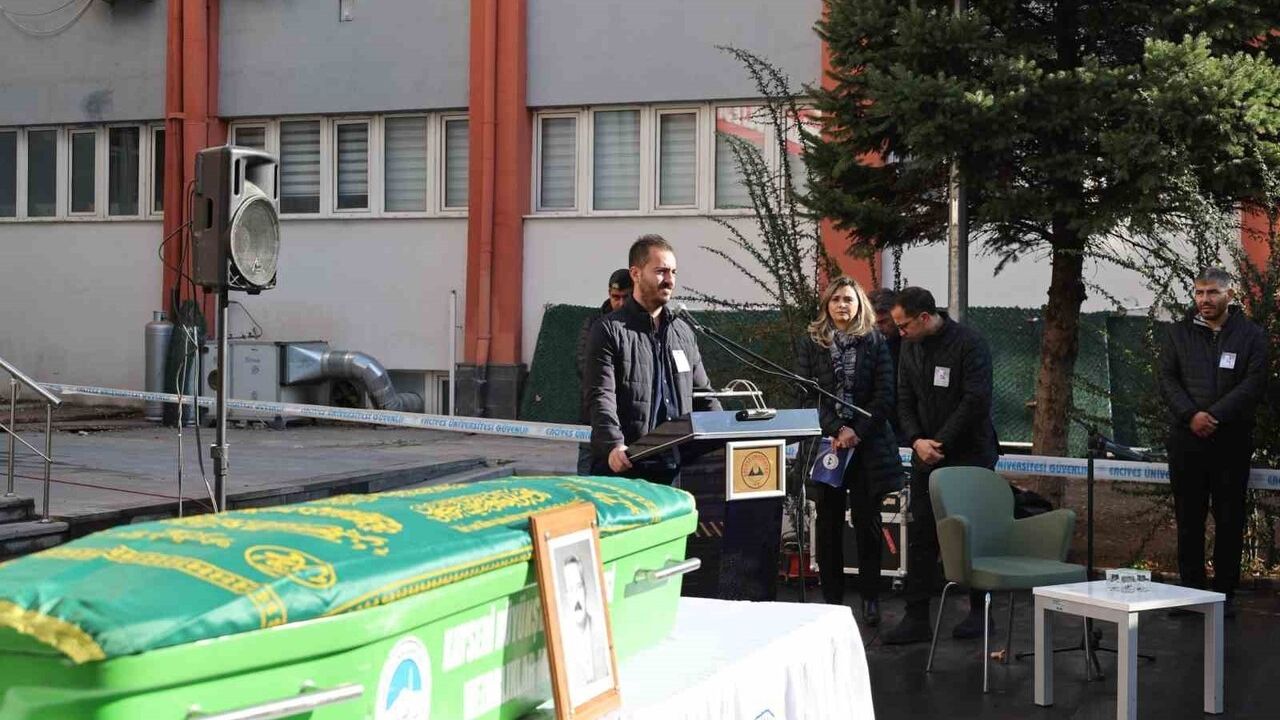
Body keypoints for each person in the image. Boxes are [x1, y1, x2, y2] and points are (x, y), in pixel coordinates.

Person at [883, 286, 999, 645]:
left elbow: (975, 400)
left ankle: (981, 613)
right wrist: (917, 440)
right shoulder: (909, 347)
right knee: (921, 535)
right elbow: (903, 398)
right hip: (924, 455)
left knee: (973, 533)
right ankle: (916, 617)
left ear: (924, 317)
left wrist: (940, 443)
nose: (899, 333)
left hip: (969, 454)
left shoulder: (969, 343)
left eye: (904, 326)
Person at [1158, 267, 1267, 618]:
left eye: (1212, 293)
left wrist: (1214, 416)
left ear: (1229, 296)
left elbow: (1253, 384)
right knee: (1188, 520)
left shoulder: (1251, 335)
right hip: (1186, 440)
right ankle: (1190, 594)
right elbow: (1167, 379)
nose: (1204, 300)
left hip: (1230, 442)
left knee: (1229, 519)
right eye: (1199, 293)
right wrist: (1191, 415)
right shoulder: (1178, 334)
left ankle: (1223, 597)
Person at [796, 277, 903, 626]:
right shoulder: (811, 343)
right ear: (827, 305)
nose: (842, 305)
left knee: (867, 522)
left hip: (867, 447)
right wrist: (836, 430)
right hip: (827, 445)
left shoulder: (875, 342)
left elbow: (886, 394)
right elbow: (806, 394)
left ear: (860, 306)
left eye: (849, 299)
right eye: (836, 299)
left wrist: (856, 431)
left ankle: (870, 598)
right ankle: (833, 601)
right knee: (827, 525)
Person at [585, 235, 720, 484]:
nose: (669, 280)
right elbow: (601, 396)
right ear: (635, 274)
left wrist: (727, 433)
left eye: (673, 272)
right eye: (661, 271)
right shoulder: (609, 330)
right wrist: (614, 445)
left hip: (674, 470)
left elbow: (704, 396)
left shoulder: (683, 332)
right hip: (625, 468)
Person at [575, 269, 634, 474]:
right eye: (615, 297)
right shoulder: (593, 324)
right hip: (594, 416)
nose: (619, 302)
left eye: (625, 297)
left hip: (627, 417)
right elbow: (585, 366)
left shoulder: (637, 324)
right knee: (587, 477)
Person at [560, 553, 610, 695]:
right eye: (571, 590)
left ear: (586, 589)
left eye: (579, 586)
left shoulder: (602, 629)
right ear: (566, 596)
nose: (576, 598)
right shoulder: (563, 644)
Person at [868, 287, 907, 445]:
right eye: (873, 323)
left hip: (906, 430)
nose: (878, 328)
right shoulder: (868, 346)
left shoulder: (910, 345)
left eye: (884, 322)